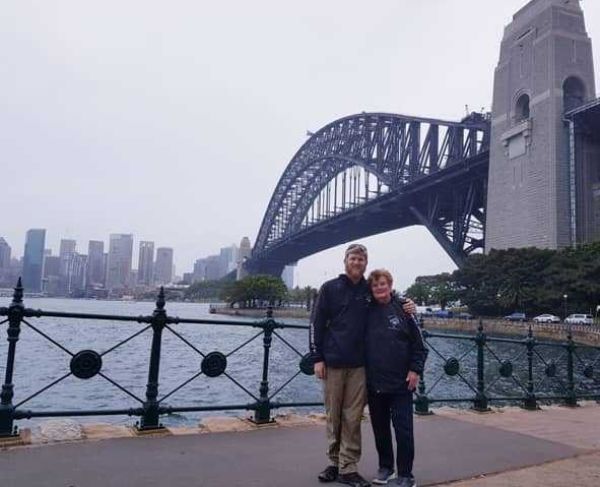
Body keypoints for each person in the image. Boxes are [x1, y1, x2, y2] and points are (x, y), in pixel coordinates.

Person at [310, 244, 416, 487]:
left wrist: (407, 303)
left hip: (359, 366)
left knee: (353, 417)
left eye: (361, 259)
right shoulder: (329, 289)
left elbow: (387, 294)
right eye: (353, 258)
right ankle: (333, 463)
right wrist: (317, 358)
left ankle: (348, 467)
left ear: (365, 264)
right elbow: (316, 323)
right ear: (345, 260)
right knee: (333, 416)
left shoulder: (368, 291)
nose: (357, 262)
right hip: (334, 363)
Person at [365, 269, 427, 487]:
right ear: (371, 290)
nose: (379, 288)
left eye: (383, 283)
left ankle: (406, 475)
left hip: (401, 382)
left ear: (390, 285)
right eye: (375, 285)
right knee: (380, 428)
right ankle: (385, 468)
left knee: (403, 430)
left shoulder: (404, 310)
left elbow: (419, 347)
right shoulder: (366, 310)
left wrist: (415, 370)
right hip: (375, 383)